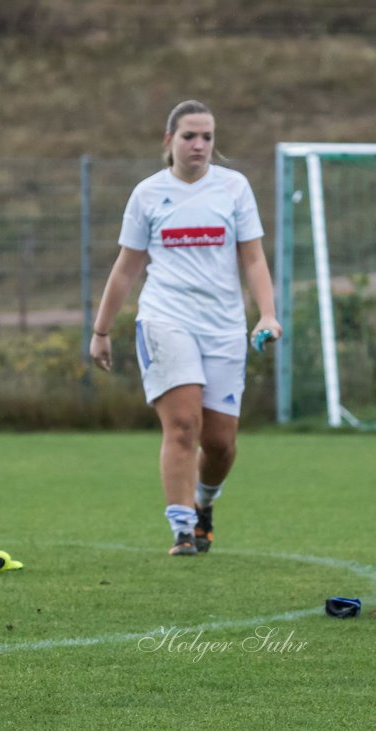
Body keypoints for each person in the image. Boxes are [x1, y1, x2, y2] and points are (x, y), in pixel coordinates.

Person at [88, 100, 281, 556]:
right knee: (182, 426)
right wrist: (100, 330)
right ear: (169, 141)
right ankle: (182, 529)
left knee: (219, 444)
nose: (199, 145)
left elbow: (252, 258)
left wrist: (268, 314)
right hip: (165, 319)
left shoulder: (233, 188)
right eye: (189, 136)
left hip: (224, 327)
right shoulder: (148, 194)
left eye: (207, 137)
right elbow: (125, 268)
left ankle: (204, 502)